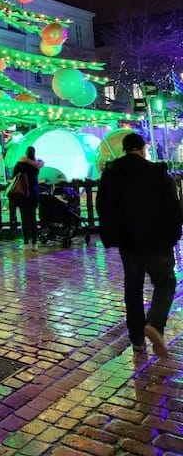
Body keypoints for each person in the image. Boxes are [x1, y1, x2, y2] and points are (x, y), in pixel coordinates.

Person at [96, 132, 182, 357]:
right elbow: (173, 208)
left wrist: (112, 233)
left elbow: (102, 206)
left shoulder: (111, 174)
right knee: (165, 281)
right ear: (143, 148)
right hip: (156, 239)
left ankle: (136, 340)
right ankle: (154, 323)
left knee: (132, 288)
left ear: (125, 149)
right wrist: (174, 235)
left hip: (128, 240)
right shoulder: (157, 173)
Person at [12, 146, 44, 251]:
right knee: (33, 218)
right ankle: (35, 243)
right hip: (34, 193)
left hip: (22, 193)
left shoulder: (20, 164)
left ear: (26, 153)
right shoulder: (36, 166)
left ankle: (26, 242)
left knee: (24, 218)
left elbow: (13, 176)